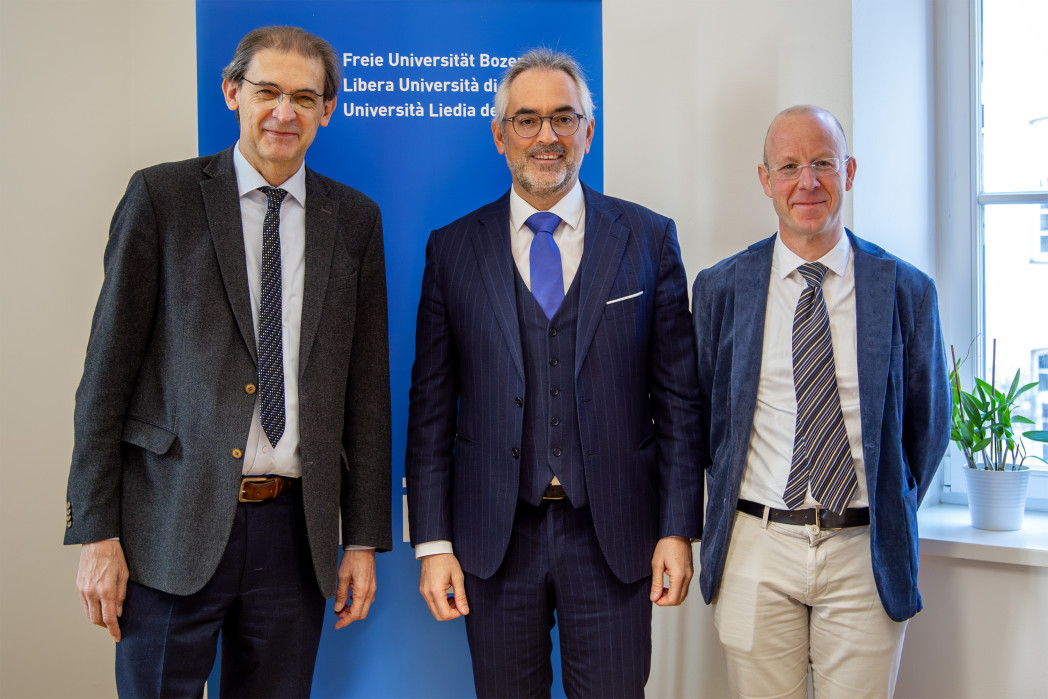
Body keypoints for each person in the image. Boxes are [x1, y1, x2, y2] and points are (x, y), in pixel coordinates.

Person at [64, 25, 392, 698]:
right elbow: (105, 377)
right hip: (169, 526)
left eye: (305, 97)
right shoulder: (162, 198)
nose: (284, 112)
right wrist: (96, 532)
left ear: (327, 109)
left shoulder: (355, 220)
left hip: (294, 535)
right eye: (267, 91)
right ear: (232, 92)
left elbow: (366, 394)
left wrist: (361, 539)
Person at [405, 47, 702, 698]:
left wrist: (677, 528)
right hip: (494, 538)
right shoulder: (452, 249)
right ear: (500, 135)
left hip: (614, 535)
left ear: (588, 131)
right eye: (527, 119)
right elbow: (430, 409)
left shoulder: (648, 239)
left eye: (564, 118)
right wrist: (432, 543)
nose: (547, 135)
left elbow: (680, 402)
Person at [691, 104, 951, 698]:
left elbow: (928, 426)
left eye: (823, 164)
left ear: (849, 172)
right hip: (757, 546)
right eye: (788, 166)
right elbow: (703, 417)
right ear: (766, 180)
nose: (806, 182)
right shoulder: (722, 288)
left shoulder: (905, 289)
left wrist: (889, 504)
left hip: (865, 550)